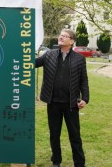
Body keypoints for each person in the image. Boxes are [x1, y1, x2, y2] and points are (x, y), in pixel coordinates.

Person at [35, 28, 89, 167]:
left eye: (64, 36)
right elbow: (33, 63)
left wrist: (85, 98)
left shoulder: (79, 59)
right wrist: (23, 51)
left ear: (71, 41)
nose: (61, 37)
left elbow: (84, 81)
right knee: (54, 134)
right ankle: (56, 161)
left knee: (75, 136)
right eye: (60, 35)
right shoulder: (49, 55)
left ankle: (79, 163)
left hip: (71, 104)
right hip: (52, 102)